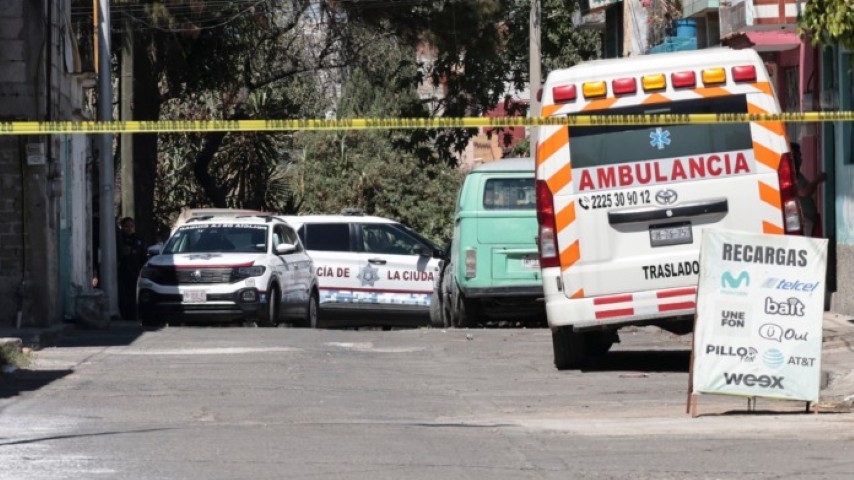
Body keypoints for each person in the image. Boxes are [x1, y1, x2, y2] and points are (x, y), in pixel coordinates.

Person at [790, 142, 827, 237]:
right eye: (799, 155)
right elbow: (804, 192)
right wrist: (817, 180)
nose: (801, 159)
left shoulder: (798, 174)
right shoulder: (792, 175)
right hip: (804, 220)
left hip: (808, 219)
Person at [117, 217, 146, 320]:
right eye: (127, 226)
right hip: (122, 272)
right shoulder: (119, 240)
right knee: (123, 295)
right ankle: (125, 314)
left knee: (134, 294)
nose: (129, 229)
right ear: (122, 227)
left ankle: (134, 314)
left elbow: (143, 256)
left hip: (135, 272)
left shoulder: (138, 240)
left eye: (131, 226)